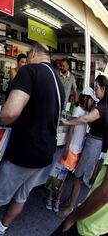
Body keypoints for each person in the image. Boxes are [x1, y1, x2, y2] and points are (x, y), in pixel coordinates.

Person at [0, 43, 65, 236]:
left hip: (24, 150)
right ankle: (1, 228)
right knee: (22, 196)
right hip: (45, 152)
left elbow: (10, 113)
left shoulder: (29, 71)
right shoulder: (58, 82)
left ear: (33, 54)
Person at [57, 74, 108, 218]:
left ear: (103, 89)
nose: (95, 90)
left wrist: (68, 122)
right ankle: (70, 202)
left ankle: (71, 207)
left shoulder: (103, 107)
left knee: (78, 177)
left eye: (97, 87)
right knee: (77, 175)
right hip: (92, 142)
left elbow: (86, 119)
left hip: (93, 144)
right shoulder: (101, 106)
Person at [46, 88, 97, 213]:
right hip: (71, 149)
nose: (92, 103)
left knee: (66, 178)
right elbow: (71, 130)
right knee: (59, 175)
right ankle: (50, 198)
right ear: (86, 98)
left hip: (78, 151)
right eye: (91, 100)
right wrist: (67, 148)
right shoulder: (78, 110)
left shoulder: (87, 113)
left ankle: (57, 200)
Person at [51, 149, 108, 235]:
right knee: (70, 175)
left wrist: (73, 216)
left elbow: (104, 193)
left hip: (88, 225)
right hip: (100, 226)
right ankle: (58, 200)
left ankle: (57, 200)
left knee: (71, 175)